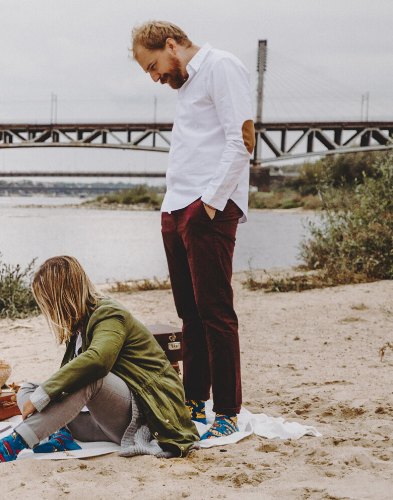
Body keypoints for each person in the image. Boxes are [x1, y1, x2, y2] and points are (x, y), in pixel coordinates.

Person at [130, 20, 255, 439]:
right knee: (190, 315)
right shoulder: (186, 85)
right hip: (176, 206)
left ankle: (227, 412)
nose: (155, 77)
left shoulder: (222, 66)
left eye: (153, 66)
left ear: (171, 45)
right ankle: (195, 401)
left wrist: (210, 205)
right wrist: (173, 208)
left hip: (207, 207)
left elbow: (243, 140)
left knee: (216, 312)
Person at [0, 256, 198, 466]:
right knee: (28, 389)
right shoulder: (79, 327)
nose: (47, 309)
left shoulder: (109, 313)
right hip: (100, 424)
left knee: (89, 378)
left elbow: (98, 362)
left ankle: (11, 445)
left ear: (60, 295)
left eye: (47, 300)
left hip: (145, 418)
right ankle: (60, 436)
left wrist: (44, 394)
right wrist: (41, 394)